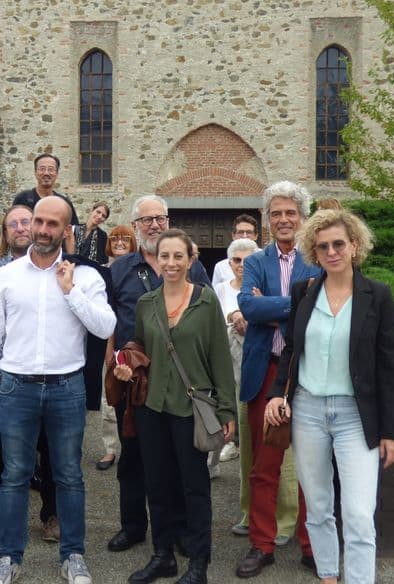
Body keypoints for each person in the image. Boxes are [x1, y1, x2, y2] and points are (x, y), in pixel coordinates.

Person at [0, 196, 116, 584]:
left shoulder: (86, 278)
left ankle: (73, 555)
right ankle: (9, 557)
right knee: (14, 474)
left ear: (67, 231)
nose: (42, 229)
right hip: (16, 387)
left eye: (53, 224)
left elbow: (105, 327)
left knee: (69, 474)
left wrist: (70, 291)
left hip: (66, 387)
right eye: (38, 221)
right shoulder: (6, 276)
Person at [265, 209, 394, 584]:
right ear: (314, 251)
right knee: (319, 507)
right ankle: (327, 574)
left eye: (338, 243)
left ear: (354, 246)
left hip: (356, 416)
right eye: (322, 246)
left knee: (358, 513)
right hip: (308, 411)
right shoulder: (304, 292)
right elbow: (291, 350)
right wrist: (278, 395)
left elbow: (390, 367)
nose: (331, 251)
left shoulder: (378, 296)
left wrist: (391, 431)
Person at [112, 229, 236, 584]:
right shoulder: (146, 302)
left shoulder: (206, 301)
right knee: (158, 484)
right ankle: (162, 555)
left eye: (178, 256)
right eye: (164, 256)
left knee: (195, 486)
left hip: (191, 408)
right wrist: (126, 363)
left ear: (190, 259)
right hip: (152, 407)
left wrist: (227, 410)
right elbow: (139, 346)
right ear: (157, 259)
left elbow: (220, 358)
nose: (170, 263)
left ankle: (198, 564)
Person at [106, 195, 211, 555]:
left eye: (161, 218)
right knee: (132, 456)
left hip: (179, 380)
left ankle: (178, 531)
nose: (154, 224)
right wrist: (111, 365)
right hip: (132, 378)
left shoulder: (192, 267)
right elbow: (109, 324)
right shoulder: (119, 269)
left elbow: (206, 319)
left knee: (179, 459)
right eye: (147, 219)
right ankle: (133, 526)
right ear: (135, 226)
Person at [235, 181, 321, 578]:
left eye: (291, 213)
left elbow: (326, 305)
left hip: (307, 374)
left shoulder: (318, 258)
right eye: (276, 213)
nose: (284, 220)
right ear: (266, 220)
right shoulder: (255, 260)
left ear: (302, 217)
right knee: (264, 466)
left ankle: (311, 544)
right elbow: (248, 307)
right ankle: (261, 544)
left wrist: (276, 305)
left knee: (310, 465)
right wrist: (300, 302)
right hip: (266, 371)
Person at [0, 205, 60, 545]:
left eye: (25, 221)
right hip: (4, 380)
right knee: (0, 456)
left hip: (48, 378)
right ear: (5, 234)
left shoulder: (58, 267)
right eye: (12, 224)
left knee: (50, 453)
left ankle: (52, 515)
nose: (20, 228)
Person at [210, 238, 258, 492]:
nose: (241, 265)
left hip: (252, 356)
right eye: (237, 260)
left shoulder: (261, 287)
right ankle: (212, 461)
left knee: (246, 416)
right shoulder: (220, 288)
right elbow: (213, 319)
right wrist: (232, 316)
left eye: (247, 261)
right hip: (225, 355)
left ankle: (247, 479)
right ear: (230, 263)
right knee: (221, 409)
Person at [95, 225, 138, 471]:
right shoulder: (103, 272)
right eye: (115, 239)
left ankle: (131, 448)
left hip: (135, 347)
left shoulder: (140, 269)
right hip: (113, 343)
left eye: (125, 238)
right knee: (109, 397)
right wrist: (109, 351)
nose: (120, 242)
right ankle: (110, 449)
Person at [13, 152, 79, 226]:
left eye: (51, 169)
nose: (46, 173)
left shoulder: (64, 203)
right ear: (35, 173)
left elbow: (73, 230)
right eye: (42, 169)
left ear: (57, 173)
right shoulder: (23, 199)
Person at [211, 214, 259, 288]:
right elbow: (216, 296)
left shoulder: (266, 262)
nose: (244, 236)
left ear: (256, 236)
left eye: (249, 232)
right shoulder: (220, 267)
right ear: (233, 235)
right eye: (240, 232)